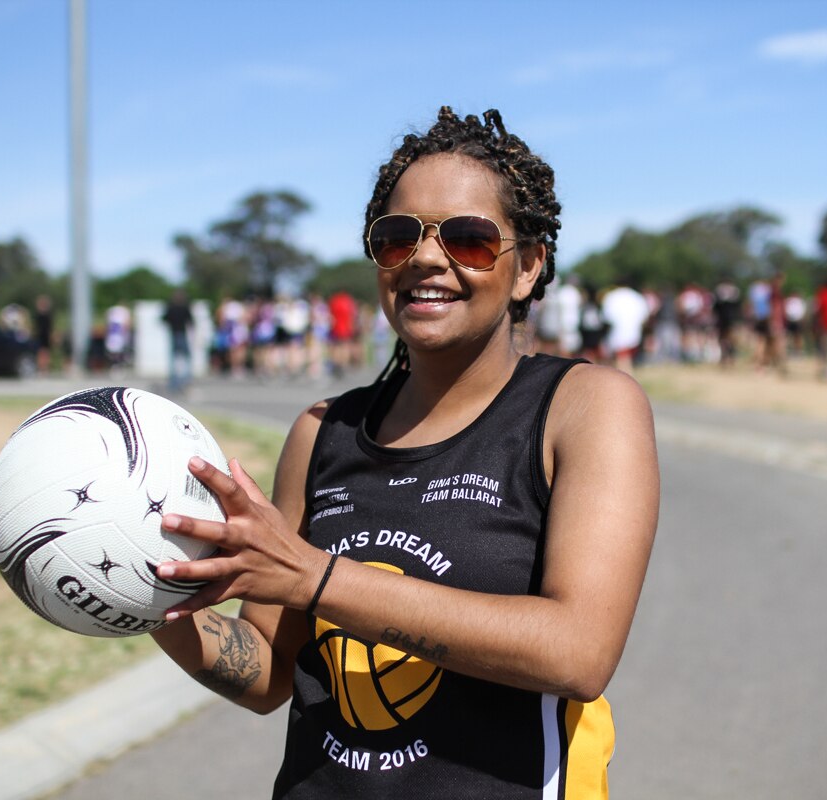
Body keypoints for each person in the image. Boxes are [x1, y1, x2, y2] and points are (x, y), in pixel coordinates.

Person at [150, 107, 659, 799]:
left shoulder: (584, 407)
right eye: (395, 238)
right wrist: (145, 596)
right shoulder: (321, 430)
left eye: (469, 239)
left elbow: (578, 652)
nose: (423, 257)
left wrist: (317, 579)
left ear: (527, 268)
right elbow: (268, 672)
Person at [162, 288, 194, 394]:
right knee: (186, 358)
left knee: (174, 360)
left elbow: (164, 319)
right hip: (181, 335)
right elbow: (191, 321)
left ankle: (174, 381)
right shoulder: (184, 307)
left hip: (174, 335)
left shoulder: (171, 307)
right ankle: (185, 380)